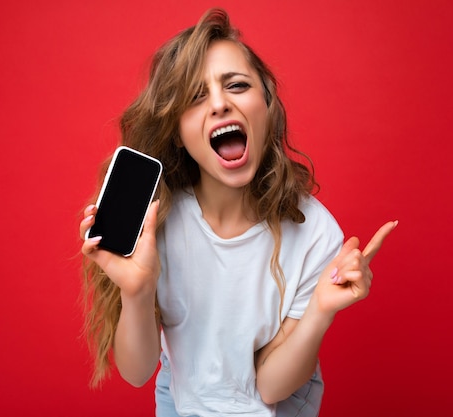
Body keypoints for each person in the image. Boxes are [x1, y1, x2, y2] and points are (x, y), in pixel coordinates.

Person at [79, 8, 397, 417]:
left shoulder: (316, 233)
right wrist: (137, 292)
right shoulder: (153, 224)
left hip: (281, 404)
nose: (220, 104)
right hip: (183, 398)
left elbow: (269, 386)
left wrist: (319, 311)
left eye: (237, 85)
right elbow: (137, 372)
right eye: (196, 96)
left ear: (265, 103)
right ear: (177, 130)